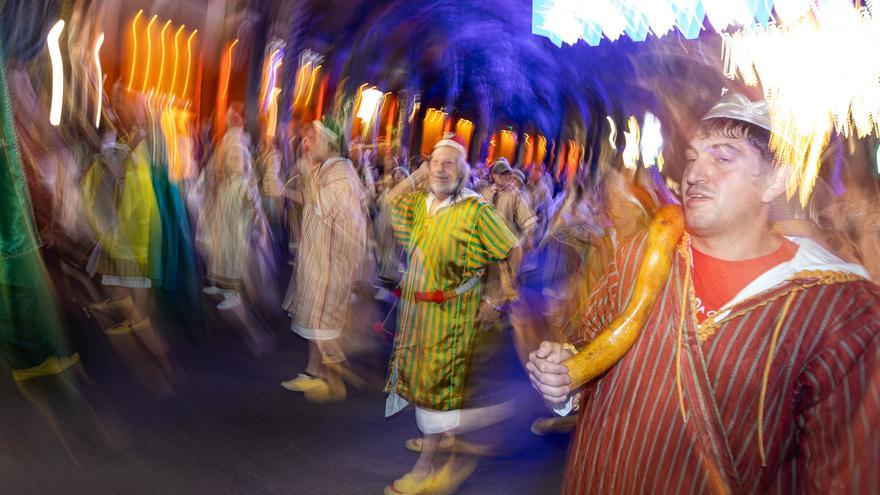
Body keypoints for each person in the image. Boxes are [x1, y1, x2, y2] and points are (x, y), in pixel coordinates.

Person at [528, 93, 880, 493]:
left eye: (723, 157)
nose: (694, 173)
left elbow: (845, 472)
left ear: (775, 179)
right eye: (693, 157)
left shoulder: (839, 311)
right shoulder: (636, 257)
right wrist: (562, 377)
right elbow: (583, 353)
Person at [382, 134, 521, 494]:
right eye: (435, 162)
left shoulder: (475, 210)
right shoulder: (419, 203)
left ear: (464, 172)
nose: (441, 170)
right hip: (419, 313)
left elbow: (512, 249)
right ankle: (442, 438)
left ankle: (426, 469)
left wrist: (495, 300)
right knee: (426, 385)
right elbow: (388, 200)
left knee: (438, 390)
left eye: (449, 164)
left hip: (453, 314)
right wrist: (420, 173)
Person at [281, 118, 367, 402]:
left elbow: (324, 206)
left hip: (330, 263)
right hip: (319, 258)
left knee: (321, 321)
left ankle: (328, 376)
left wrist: (304, 172)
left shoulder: (341, 174)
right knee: (317, 319)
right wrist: (284, 192)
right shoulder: (328, 170)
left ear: (330, 143)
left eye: (312, 139)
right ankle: (316, 371)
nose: (306, 145)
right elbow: (312, 200)